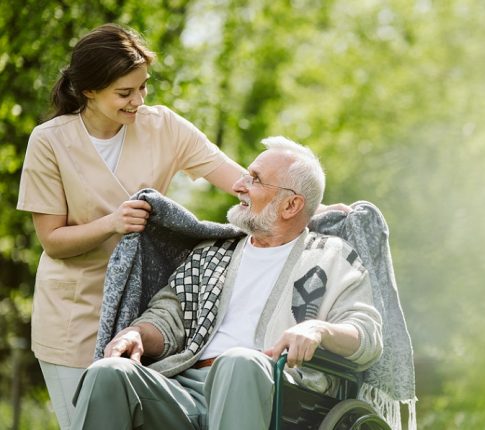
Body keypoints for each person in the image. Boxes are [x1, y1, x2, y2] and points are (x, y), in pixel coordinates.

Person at [15, 23, 246, 429]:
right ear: (89, 90)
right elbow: (52, 241)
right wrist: (112, 223)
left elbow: (240, 182)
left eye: (143, 87)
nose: (138, 100)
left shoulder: (165, 127)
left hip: (143, 316)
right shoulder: (49, 141)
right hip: (73, 317)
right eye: (125, 92)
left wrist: (301, 200)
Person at [70, 136, 383, 430]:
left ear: (291, 205)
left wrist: (318, 329)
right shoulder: (212, 254)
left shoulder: (331, 258)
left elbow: (367, 333)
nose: (238, 186)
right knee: (108, 373)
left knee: (238, 361)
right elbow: (167, 317)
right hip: (186, 388)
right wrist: (136, 332)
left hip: (279, 392)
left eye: (254, 179)